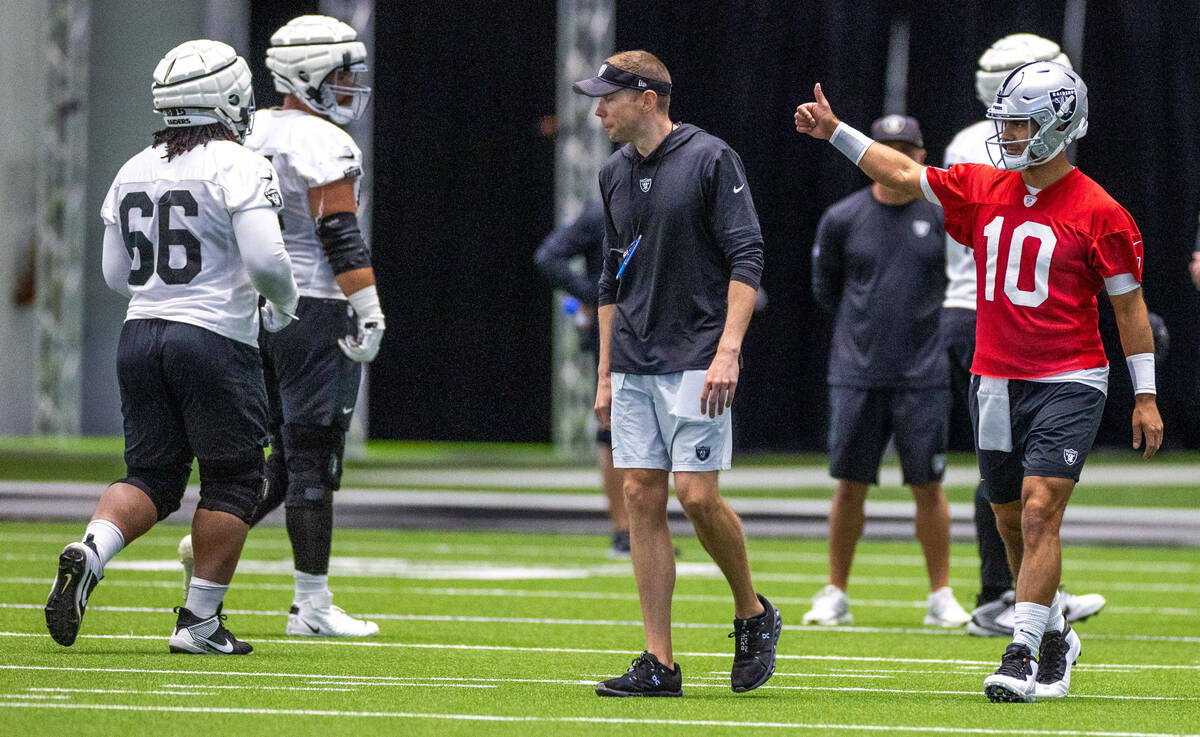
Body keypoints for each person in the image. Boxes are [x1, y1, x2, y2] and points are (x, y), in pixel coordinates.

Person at [795, 61, 1162, 702]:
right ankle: (1052, 638)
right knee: (1011, 519)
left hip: (1070, 376)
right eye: (1008, 124)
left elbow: (1129, 309)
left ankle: (1020, 651)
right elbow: (904, 174)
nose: (1010, 137)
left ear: (1059, 125)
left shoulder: (1102, 211)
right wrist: (836, 132)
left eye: (1022, 125)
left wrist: (1147, 393)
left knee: (1043, 507)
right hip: (993, 378)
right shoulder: (983, 186)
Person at [45, 39, 299, 655]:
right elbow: (266, 258)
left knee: (152, 477)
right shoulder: (239, 163)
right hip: (213, 336)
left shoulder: (133, 166)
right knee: (236, 479)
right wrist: (285, 303)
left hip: (141, 335)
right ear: (228, 97)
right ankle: (200, 622)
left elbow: (115, 274)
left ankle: (93, 548)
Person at [573, 50, 779, 697]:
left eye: (608, 96)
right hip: (633, 358)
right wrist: (604, 372)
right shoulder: (611, 173)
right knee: (640, 494)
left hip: (696, 354)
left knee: (696, 494)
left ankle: (752, 611)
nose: (598, 109)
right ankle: (659, 662)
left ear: (648, 97)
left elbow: (749, 255)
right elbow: (611, 276)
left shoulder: (711, 158)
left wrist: (729, 349)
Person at [178, 14, 385, 638]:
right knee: (313, 459)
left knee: (259, 458)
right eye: (342, 75)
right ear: (309, 75)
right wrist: (370, 307)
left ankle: (214, 544)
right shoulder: (322, 142)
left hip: (248, 307)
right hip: (316, 306)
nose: (351, 86)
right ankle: (311, 605)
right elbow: (338, 233)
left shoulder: (248, 130)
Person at [941, 34, 1108, 637]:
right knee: (1003, 483)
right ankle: (1001, 593)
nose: (1008, 131)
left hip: (1018, 324)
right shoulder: (989, 151)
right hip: (987, 316)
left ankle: (1029, 599)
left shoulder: (1062, 174)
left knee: (1028, 492)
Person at [804, 115, 971, 629]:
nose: (896, 157)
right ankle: (835, 591)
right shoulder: (841, 218)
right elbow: (826, 290)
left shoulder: (943, 218)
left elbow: (962, 286)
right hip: (857, 372)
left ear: (921, 156)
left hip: (923, 374)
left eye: (906, 148)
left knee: (928, 483)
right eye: (886, 148)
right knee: (849, 484)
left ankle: (940, 593)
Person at [533, 202, 631, 557]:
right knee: (613, 430)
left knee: (648, 433)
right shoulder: (601, 213)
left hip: (657, 331)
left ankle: (643, 529)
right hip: (613, 334)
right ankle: (624, 530)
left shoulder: (662, 205)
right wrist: (592, 293)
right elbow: (548, 256)